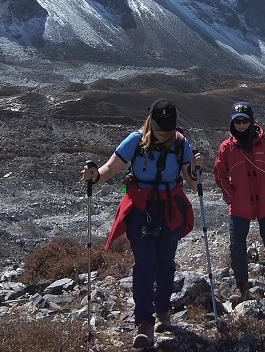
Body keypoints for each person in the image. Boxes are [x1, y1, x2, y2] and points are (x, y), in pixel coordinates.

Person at [83, 98, 204, 349]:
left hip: (169, 207)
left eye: (167, 132)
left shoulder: (181, 144)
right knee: (145, 263)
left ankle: (162, 307)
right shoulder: (135, 140)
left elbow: (192, 184)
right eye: (159, 131)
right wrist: (95, 177)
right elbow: (111, 168)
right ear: (150, 123)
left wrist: (195, 170)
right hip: (141, 208)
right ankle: (144, 323)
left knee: (166, 263)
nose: (163, 135)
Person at [212, 100, 265, 300]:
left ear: (251, 120)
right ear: (232, 122)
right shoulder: (226, 148)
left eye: (244, 120)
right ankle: (242, 287)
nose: (241, 125)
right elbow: (219, 173)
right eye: (237, 121)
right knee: (237, 246)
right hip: (240, 203)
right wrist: (230, 195)